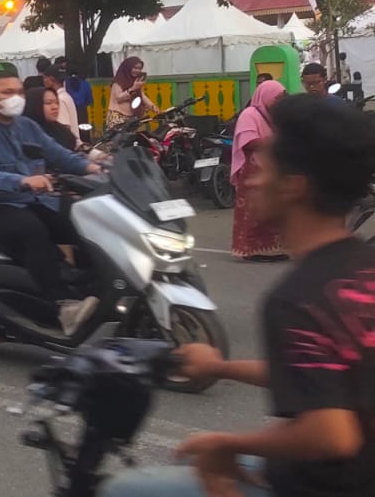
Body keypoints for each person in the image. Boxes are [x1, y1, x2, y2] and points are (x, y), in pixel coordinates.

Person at [102, 95, 375, 497]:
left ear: (294, 186)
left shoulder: (296, 298)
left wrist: (226, 444)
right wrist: (222, 367)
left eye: (264, 168)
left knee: (127, 489)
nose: (251, 178)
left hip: (316, 485)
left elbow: (332, 434)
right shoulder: (361, 266)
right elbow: (322, 373)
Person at [0, 70, 103, 335]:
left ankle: (93, 288)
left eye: (20, 92)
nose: (16, 98)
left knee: (84, 219)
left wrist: (93, 167)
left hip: (30, 201)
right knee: (32, 231)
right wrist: (21, 181)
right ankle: (63, 307)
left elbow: (58, 154)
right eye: (7, 93)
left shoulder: (26, 126)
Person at [231, 80, 289, 263]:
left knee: (275, 208)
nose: (279, 102)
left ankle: (275, 248)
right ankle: (254, 249)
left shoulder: (273, 117)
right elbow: (248, 142)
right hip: (254, 169)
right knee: (255, 211)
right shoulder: (250, 114)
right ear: (265, 96)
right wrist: (275, 144)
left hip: (271, 167)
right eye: (276, 98)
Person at [24, 86, 79, 151]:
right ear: (35, 104)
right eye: (48, 103)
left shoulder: (64, 133)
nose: (55, 107)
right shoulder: (23, 135)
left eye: (57, 102)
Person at [107, 56, 147, 130]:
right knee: (119, 140)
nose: (137, 70)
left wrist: (153, 107)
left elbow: (142, 96)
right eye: (135, 68)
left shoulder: (134, 81)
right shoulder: (118, 82)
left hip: (131, 118)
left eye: (139, 68)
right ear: (127, 68)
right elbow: (119, 98)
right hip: (117, 117)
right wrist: (133, 88)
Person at [44, 66, 79, 133]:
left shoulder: (59, 99)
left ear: (51, 79)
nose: (44, 81)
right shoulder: (66, 96)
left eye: (45, 78)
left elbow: (64, 127)